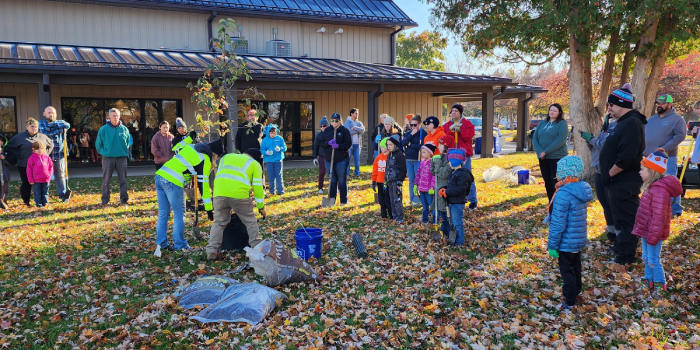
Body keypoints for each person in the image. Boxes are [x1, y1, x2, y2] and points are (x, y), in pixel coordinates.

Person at [600, 83, 647, 265]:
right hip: (616, 181)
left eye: (611, 104)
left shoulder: (632, 123)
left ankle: (626, 256)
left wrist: (610, 174)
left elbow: (627, 157)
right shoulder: (623, 122)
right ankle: (621, 248)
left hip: (624, 181)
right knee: (619, 217)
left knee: (627, 218)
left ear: (621, 103)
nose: (609, 108)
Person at [154, 140, 222, 253]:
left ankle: (162, 244)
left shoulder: (191, 146)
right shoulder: (205, 159)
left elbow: (176, 148)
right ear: (214, 154)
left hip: (160, 175)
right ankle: (179, 245)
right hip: (173, 180)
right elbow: (203, 185)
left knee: (163, 214)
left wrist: (190, 138)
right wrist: (209, 208)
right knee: (179, 214)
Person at [632, 151, 682, 298]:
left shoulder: (659, 190)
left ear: (652, 171)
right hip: (646, 231)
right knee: (646, 257)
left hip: (653, 233)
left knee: (653, 259)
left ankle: (660, 284)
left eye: (642, 169)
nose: (640, 172)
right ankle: (648, 280)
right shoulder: (652, 187)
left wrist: (653, 236)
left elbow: (659, 217)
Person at [546, 155, 593, 311]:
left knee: (567, 272)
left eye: (558, 172)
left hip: (566, 241)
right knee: (576, 267)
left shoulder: (563, 194)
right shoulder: (579, 189)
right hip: (578, 238)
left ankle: (570, 300)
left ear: (563, 174)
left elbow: (558, 223)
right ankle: (577, 291)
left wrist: (552, 245)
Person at [206, 148, 266, 260]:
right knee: (250, 221)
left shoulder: (226, 157)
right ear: (255, 158)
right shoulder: (254, 164)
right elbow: (258, 188)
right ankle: (257, 248)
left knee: (219, 222)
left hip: (219, 193)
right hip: (240, 195)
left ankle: (212, 251)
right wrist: (261, 207)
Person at [644, 94, 687, 217]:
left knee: (670, 183)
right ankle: (656, 208)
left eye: (662, 103)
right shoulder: (652, 119)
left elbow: (680, 135)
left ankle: (675, 210)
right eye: (658, 103)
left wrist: (665, 148)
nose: (659, 105)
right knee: (652, 184)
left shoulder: (677, 119)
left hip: (667, 158)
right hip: (650, 159)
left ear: (670, 104)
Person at [580, 114, 617, 246]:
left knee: (613, 205)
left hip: (610, 171)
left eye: (612, 105)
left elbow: (606, 147)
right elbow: (597, 146)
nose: (609, 108)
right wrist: (589, 141)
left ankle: (619, 235)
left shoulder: (619, 126)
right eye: (608, 105)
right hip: (598, 171)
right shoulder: (607, 125)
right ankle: (611, 233)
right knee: (605, 204)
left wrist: (592, 140)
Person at [5, 118, 53, 206]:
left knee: (42, 185)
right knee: (27, 183)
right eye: (32, 126)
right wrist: (18, 156)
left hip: (40, 166)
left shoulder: (42, 136)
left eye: (36, 126)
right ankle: (26, 201)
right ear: (27, 127)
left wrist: (46, 155)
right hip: (24, 165)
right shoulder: (19, 137)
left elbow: (51, 144)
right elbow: (9, 146)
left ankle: (42, 202)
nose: (34, 128)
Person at [533, 103, 570, 207]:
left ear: (559, 113)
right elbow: (535, 138)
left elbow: (561, 141)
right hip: (543, 158)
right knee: (547, 181)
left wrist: (546, 151)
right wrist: (540, 151)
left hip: (556, 157)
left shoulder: (562, 124)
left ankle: (559, 205)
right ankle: (551, 204)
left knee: (556, 182)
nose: (552, 112)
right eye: (550, 110)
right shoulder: (542, 123)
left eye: (555, 111)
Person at [442, 105, 478, 210]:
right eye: (452, 111)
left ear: (460, 113)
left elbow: (468, 137)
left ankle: (472, 200)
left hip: (464, 155)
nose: (453, 113)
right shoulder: (447, 125)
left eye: (456, 111)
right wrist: (451, 131)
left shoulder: (468, 124)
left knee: (467, 177)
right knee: (452, 177)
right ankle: (453, 199)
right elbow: (445, 139)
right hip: (452, 155)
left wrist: (460, 128)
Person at [438, 148, 474, 246]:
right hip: (452, 201)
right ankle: (455, 240)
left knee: (457, 223)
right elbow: (452, 187)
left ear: (455, 161)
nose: (448, 163)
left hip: (457, 203)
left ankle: (460, 242)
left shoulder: (462, 174)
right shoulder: (453, 172)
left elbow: (460, 189)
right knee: (453, 223)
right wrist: (444, 188)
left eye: (449, 161)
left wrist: (447, 192)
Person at [96, 108, 131, 206]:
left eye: (117, 115)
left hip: (121, 158)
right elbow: (98, 145)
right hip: (108, 159)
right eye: (113, 115)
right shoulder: (103, 129)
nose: (115, 117)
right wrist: (106, 153)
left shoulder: (124, 129)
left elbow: (128, 142)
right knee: (106, 180)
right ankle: (105, 201)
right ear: (109, 116)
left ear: (119, 116)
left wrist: (124, 151)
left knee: (123, 180)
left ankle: (124, 200)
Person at [38, 106, 71, 201]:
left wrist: (54, 126)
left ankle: (63, 194)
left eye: (53, 113)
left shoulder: (60, 123)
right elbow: (46, 133)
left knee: (60, 175)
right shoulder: (40, 124)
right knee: (45, 176)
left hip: (59, 154)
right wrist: (55, 129)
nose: (51, 114)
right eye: (48, 113)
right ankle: (44, 197)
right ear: (44, 114)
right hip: (45, 156)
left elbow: (67, 125)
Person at [319, 113, 352, 205]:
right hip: (329, 159)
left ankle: (343, 201)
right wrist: (328, 143)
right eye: (332, 120)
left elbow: (348, 144)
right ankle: (332, 200)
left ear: (340, 121)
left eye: (336, 120)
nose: (334, 122)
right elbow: (321, 143)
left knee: (341, 180)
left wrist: (338, 146)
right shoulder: (327, 131)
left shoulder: (344, 131)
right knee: (332, 179)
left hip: (342, 159)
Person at [431, 135, 455, 240]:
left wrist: (437, 162)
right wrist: (433, 162)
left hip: (444, 191)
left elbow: (443, 173)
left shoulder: (449, 159)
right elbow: (433, 172)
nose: (438, 146)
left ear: (446, 146)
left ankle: (448, 233)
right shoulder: (439, 157)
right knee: (441, 214)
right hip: (438, 190)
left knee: (446, 216)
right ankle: (443, 233)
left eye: (440, 144)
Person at [402, 115, 426, 206]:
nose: (413, 127)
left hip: (417, 159)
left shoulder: (423, 134)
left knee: (418, 180)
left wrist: (411, 145)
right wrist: (411, 134)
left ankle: (419, 198)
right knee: (411, 180)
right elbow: (403, 143)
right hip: (408, 159)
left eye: (415, 125)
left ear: (419, 124)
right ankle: (412, 199)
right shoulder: (409, 133)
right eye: (411, 125)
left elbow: (422, 146)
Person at [384, 137, 406, 223]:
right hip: (389, 180)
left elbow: (403, 168)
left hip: (396, 181)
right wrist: (386, 179)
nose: (388, 147)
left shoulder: (399, 155)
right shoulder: (390, 155)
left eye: (391, 145)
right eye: (388, 145)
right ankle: (394, 216)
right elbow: (387, 168)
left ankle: (400, 217)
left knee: (397, 199)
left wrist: (400, 180)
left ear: (395, 145)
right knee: (391, 199)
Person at [260, 125, 287, 195]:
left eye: (274, 133)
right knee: (271, 176)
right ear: (268, 132)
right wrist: (266, 152)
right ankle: (272, 191)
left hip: (278, 160)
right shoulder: (265, 140)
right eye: (271, 133)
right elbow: (262, 149)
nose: (273, 135)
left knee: (279, 176)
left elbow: (284, 147)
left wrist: (280, 149)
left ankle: (280, 191)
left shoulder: (280, 138)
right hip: (269, 161)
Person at [26, 141, 54, 208]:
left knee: (45, 192)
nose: (39, 150)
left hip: (46, 179)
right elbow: (29, 169)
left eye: (41, 148)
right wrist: (30, 179)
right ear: (33, 149)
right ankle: (39, 204)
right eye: (37, 149)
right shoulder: (31, 158)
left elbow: (51, 166)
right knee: (37, 193)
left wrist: (49, 174)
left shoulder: (47, 158)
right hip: (36, 180)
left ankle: (45, 203)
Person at [414, 144, 436, 224]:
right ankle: (425, 219)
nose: (422, 154)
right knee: (424, 206)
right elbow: (418, 174)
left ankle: (435, 220)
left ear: (430, 153)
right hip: (421, 188)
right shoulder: (422, 163)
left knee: (432, 205)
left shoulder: (432, 163)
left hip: (428, 189)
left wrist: (432, 187)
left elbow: (434, 176)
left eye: (424, 152)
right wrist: (416, 184)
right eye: (421, 152)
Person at [372, 138, 392, 219]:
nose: (381, 149)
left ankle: (391, 215)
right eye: (380, 147)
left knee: (388, 200)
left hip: (387, 182)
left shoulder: (390, 157)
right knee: (381, 200)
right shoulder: (378, 158)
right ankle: (383, 215)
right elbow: (375, 170)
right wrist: (374, 181)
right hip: (379, 181)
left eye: (383, 147)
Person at [344, 108, 365, 177]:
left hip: (357, 144)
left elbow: (363, 130)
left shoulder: (359, 123)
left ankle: (357, 173)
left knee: (357, 160)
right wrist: (358, 131)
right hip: (349, 145)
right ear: (351, 114)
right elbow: (349, 132)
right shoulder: (347, 122)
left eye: (357, 113)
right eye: (356, 113)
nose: (357, 115)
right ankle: (347, 174)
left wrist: (355, 128)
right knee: (348, 159)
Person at [312, 117, 329, 194]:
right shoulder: (318, 136)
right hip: (322, 156)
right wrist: (315, 157)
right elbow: (315, 146)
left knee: (332, 172)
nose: (322, 127)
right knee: (322, 172)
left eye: (324, 126)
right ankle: (320, 188)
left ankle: (335, 187)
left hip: (330, 156)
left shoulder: (331, 134)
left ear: (327, 126)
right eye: (321, 126)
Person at [0, 135, 10, 209]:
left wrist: (4, 158)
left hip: (4, 174)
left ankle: (4, 202)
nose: (0, 142)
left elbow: (11, 161)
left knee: (5, 189)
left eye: (1, 140)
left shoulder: (6, 150)